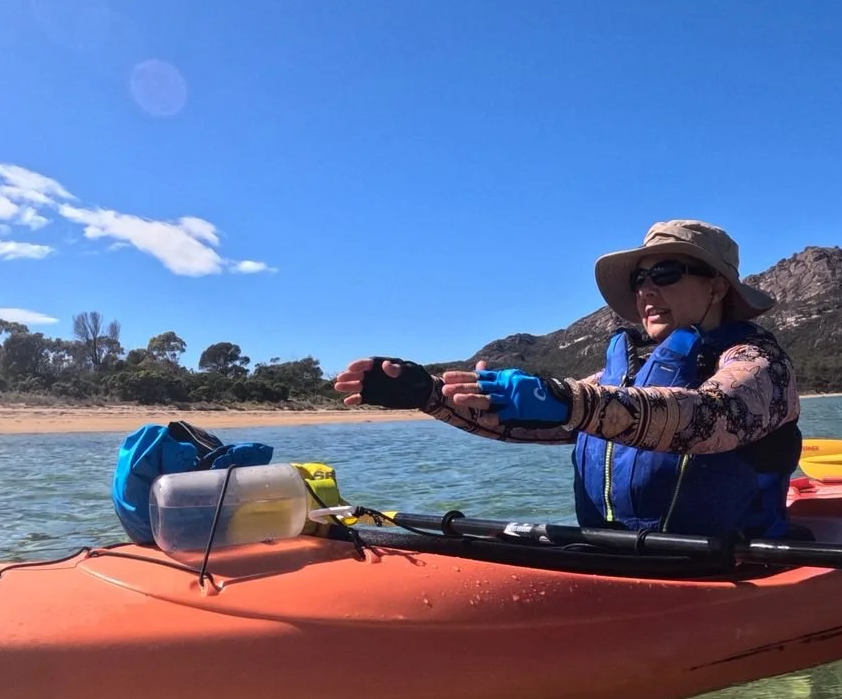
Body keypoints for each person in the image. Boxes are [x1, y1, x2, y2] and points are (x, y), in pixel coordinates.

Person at [335, 220, 802, 540]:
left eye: (665, 272)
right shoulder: (631, 371)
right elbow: (545, 421)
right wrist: (429, 394)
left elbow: (711, 417)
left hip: (729, 563)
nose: (645, 290)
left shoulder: (759, 363)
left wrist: (564, 399)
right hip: (623, 556)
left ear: (717, 286)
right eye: (640, 278)